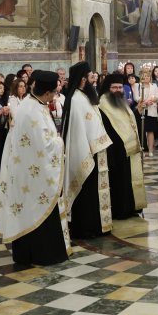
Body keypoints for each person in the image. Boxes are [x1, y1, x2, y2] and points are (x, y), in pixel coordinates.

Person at [0, 70, 70, 265]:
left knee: (31, 209)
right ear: (47, 93)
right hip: (33, 174)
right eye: (54, 92)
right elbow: (43, 146)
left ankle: (30, 254)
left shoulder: (34, 104)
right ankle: (42, 254)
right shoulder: (31, 111)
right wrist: (60, 143)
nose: (55, 95)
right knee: (35, 208)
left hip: (29, 171)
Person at [62, 62, 113, 237]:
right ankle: (86, 227)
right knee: (86, 192)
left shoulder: (83, 96)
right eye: (89, 76)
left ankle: (95, 225)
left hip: (95, 150)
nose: (92, 80)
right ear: (83, 79)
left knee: (93, 192)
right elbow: (79, 129)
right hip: (86, 152)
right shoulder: (76, 99)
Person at [98, 73, 147, 219]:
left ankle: (131, 207)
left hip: (128, 150)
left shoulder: (122, 102)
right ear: (108, 88)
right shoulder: (103, 104)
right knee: (118, 181)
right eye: (115, 87)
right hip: (114, 150)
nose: (118, 90)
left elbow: (128, 122)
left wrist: (137, 112)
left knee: (129, 180)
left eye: (120, 87)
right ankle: (120, 210)